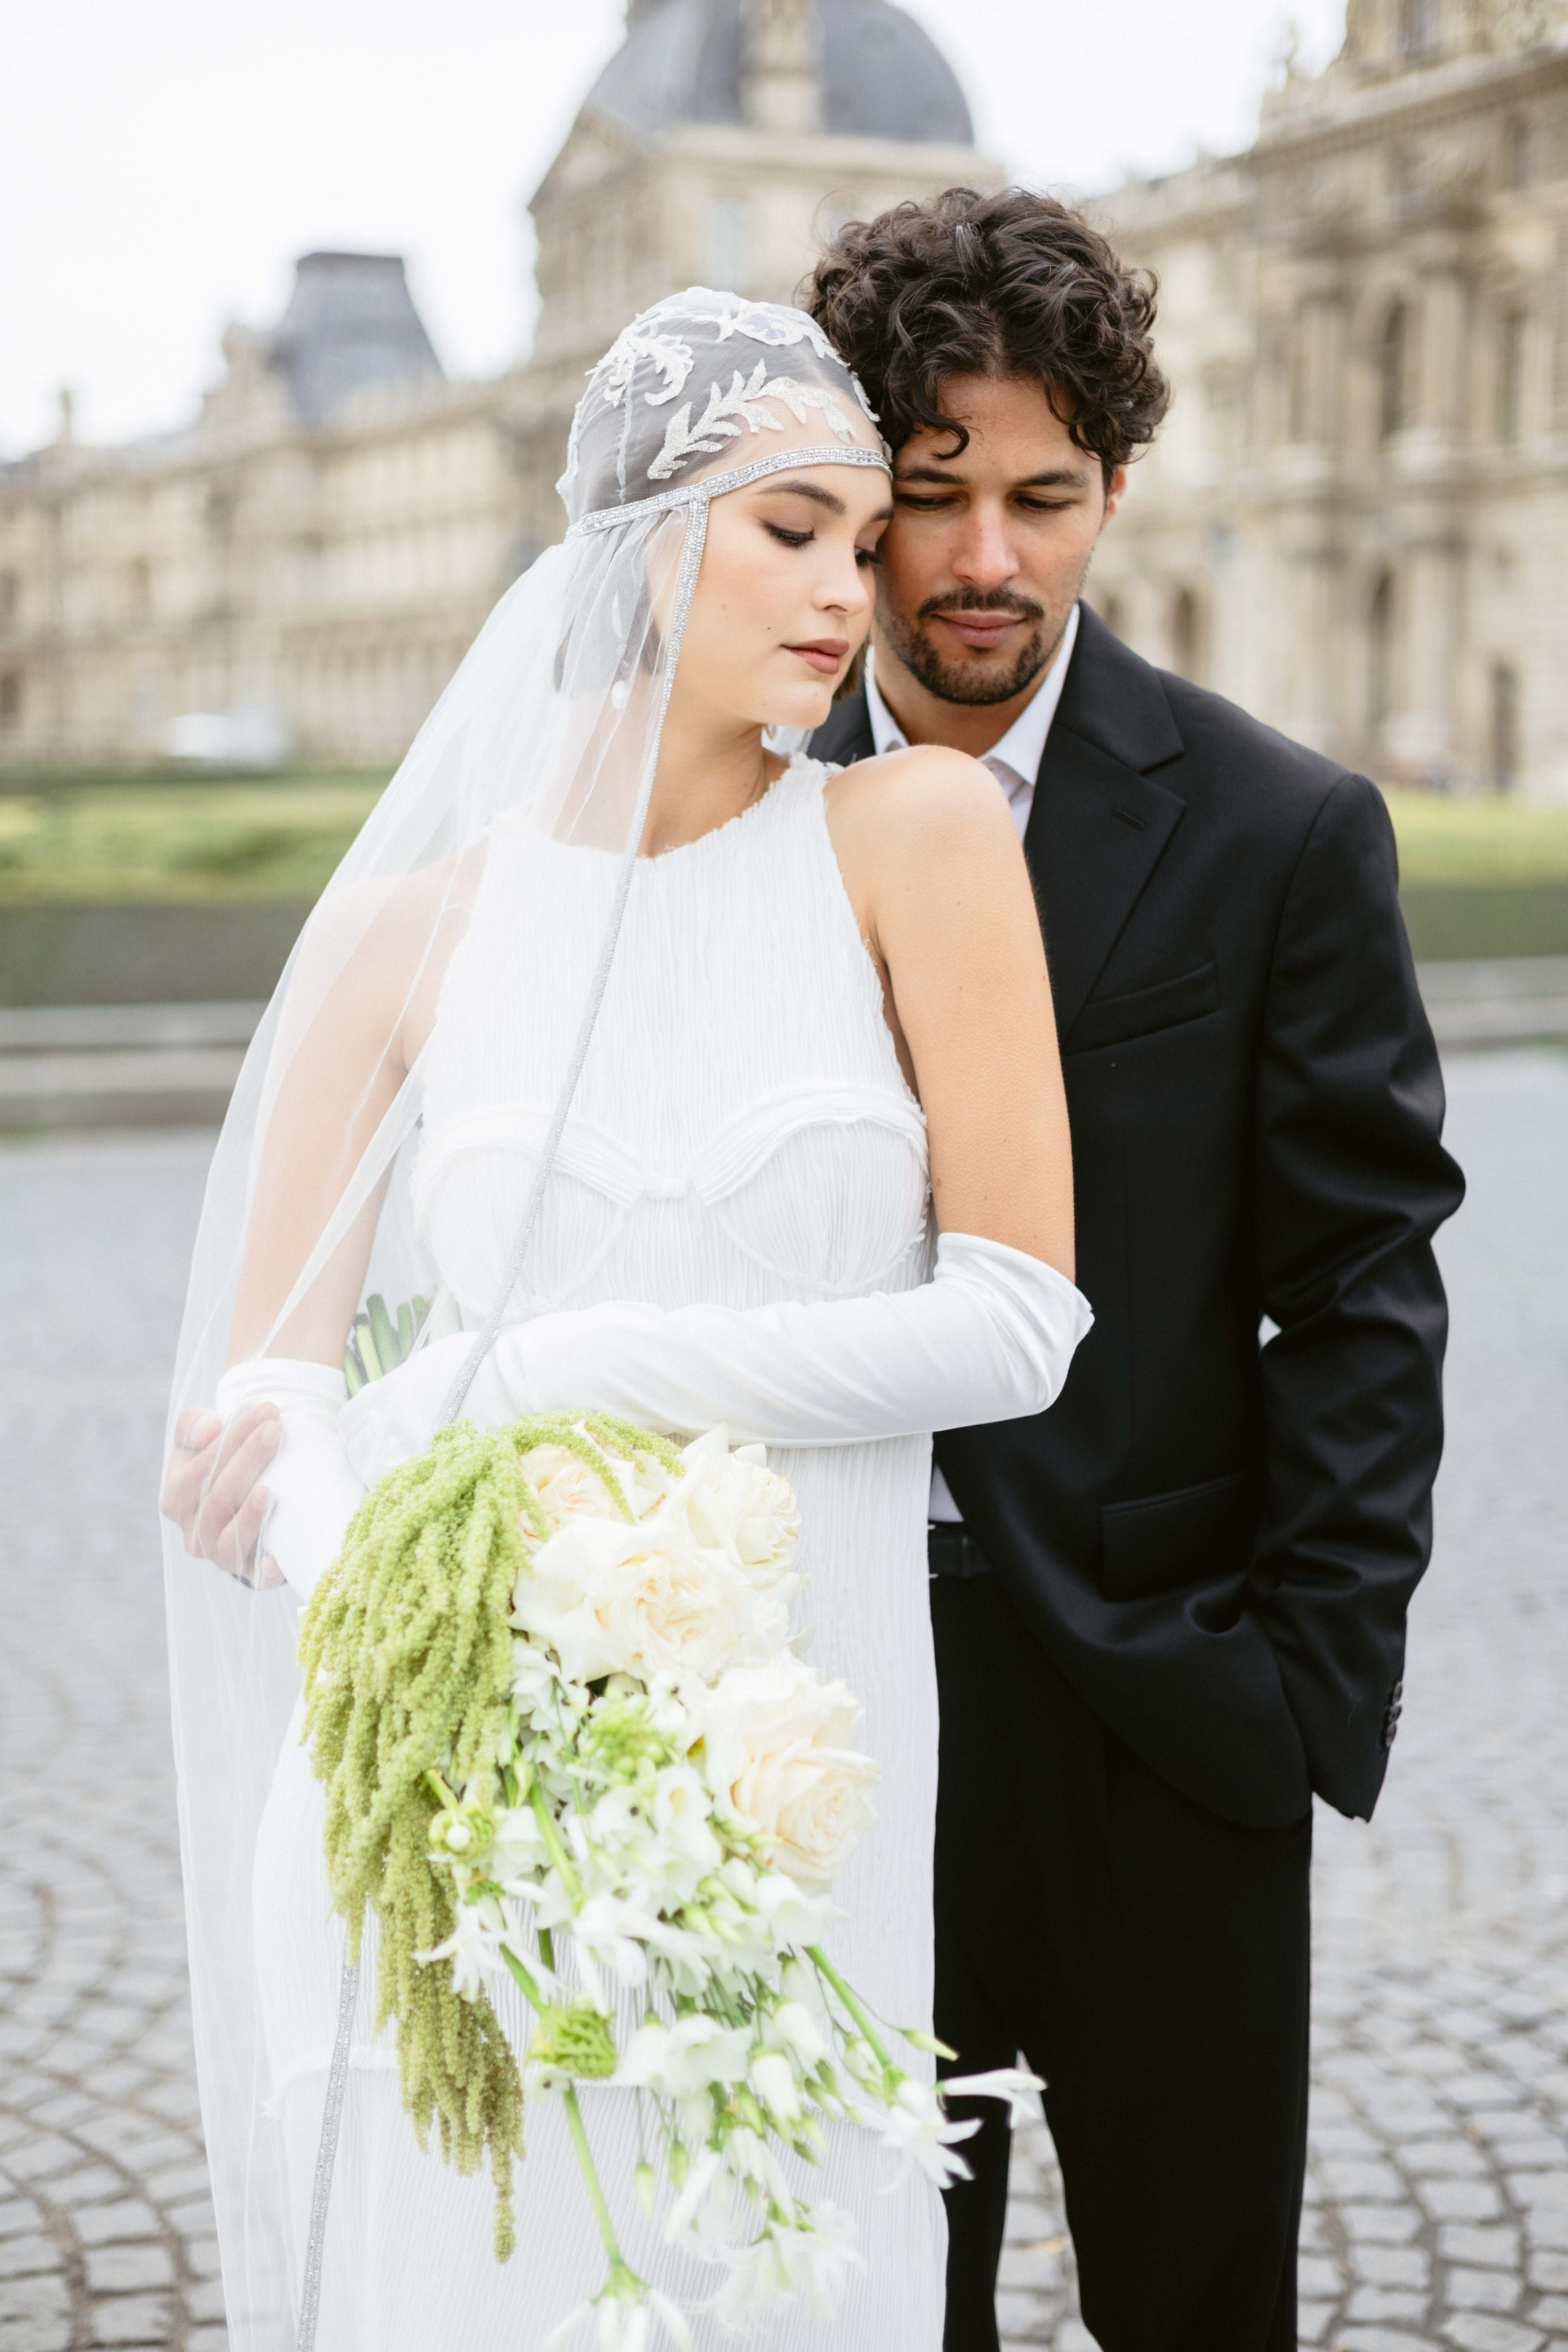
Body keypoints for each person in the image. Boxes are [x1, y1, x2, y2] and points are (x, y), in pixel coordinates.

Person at [158, 288, 1091, 2351]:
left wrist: (551, 1374)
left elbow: (1019, 1323)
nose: (852, 589)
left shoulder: (913, 837)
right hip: (469, 1807)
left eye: (869, 540)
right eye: (794, 529)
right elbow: (262, 1419)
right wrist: (460, 1651)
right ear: (636, 542)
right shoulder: (404, 934)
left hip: (801, 1778)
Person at [803, 187, 1465, 2352]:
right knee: (868, 2319)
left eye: (1048, 496)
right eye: (934, 493)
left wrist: (1304, 1685)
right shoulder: (726, 818)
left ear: (1114, 488)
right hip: (803, 1726)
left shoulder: (1281, 829)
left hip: (1165, 1717)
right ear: (854, 495)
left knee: (1198, 2309)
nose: (988, 558)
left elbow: (1364, 1280)